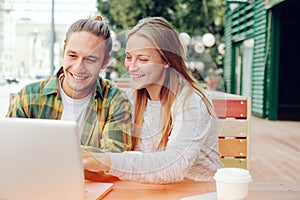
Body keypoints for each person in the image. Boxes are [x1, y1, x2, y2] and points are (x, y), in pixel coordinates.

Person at [82, 16, 223, 184]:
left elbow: (174, 164)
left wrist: (106, 161)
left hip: (200, 192)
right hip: (151, 191)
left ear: (166, 61)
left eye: (143, 59)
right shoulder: (131, 99)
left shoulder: (192, 101)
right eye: (128, 57)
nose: (132, 67)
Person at [6, 16, 132, 153]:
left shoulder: (116, 100)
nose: (78, 67)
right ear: (63, 52)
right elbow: (8, 150)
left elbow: (114, 157)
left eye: (90, 59)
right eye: (72, 56)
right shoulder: (28, 96)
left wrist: (46, 151)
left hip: (86, 176)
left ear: (105, 62)